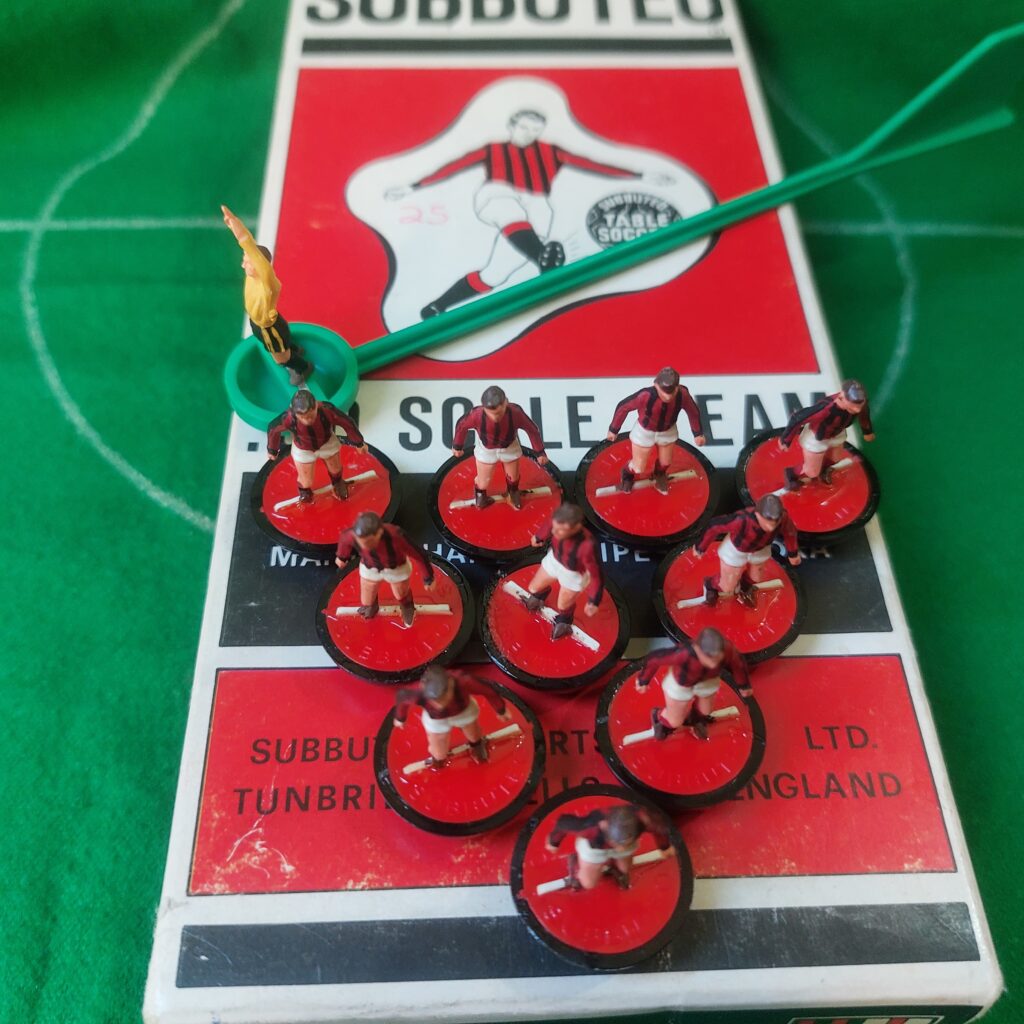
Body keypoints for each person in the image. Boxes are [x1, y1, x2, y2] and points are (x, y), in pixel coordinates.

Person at [385, 109, 671, 318]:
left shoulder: (550, 151)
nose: (529, 134)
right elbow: (455, 166)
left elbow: (591, 164)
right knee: (507, 209)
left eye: (535, 130)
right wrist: (413, 186)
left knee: (496, 275)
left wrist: (640, 175)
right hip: (499, 192)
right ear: (513, 126)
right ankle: (544, 260)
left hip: (537, 204)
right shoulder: (494, 149)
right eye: (524, 128)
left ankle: (438, 306)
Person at [221, 205, 312, 385]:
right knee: (281, 346)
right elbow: (248, 243)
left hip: (269, 328)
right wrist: (234, 225)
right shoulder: (253, 276)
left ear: (259, 265)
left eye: (247, 262)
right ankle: (294, 350)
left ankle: (303, 367)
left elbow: (249, 245)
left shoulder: (267, 283)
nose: (243, 265)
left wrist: (240, 231)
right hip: (258, 323)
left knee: (280, 359)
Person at [636, 628, 751, 741]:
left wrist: (744, 685)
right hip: (681, 684)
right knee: (675, 720)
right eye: (709, 658)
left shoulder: (727, 650)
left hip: (708, 681)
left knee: (705, 710)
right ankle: (659, 717)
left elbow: (738, 664)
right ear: (698, 649)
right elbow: (655, 658)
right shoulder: (684, 653)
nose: (713, 664)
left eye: (717, 658)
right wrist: (643, 680)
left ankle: (695, 720)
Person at [393, 665, 511, 770]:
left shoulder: (464, 681)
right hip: (436, 719)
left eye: (444, 696)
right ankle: (438, 758)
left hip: (464, 711)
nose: (440, 704)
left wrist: (501, 710)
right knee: (438, 749)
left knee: (474, 733)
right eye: (435, 700)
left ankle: (477, 745)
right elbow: (402, 699)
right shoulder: (417, 693)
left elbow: (488, 691)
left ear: (450, 682)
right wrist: (400, 718)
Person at [606, 367, 705, 493]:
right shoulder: (645, 396)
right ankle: (627, 475)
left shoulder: (683, 395)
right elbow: (623, 407)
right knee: (638, 467)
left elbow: (693, 412)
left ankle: (659, 475)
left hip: (667, 431)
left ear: (677, 387)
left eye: (672, 391)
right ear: (656, 385)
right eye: (664, 391)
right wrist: (613, 429)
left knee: (666, 462)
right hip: (644, 432)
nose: (668, 396)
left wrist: (697, 433)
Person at [694, 494, 800, 607]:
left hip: (761, 549)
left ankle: (744, 589)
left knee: (756, 577)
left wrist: (793, 553)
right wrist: (700, 547)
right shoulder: (743, 520)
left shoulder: (783, 518)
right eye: (767, 522)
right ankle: (710, 586)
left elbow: (790, 532)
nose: (771, 528)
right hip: (736, 550)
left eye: (775, 523)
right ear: (758, 514)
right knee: (727, 586)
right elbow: (714, 526)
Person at [451, 385, 548, 509]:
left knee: (513, 476)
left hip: (509, 447)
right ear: (484, 408)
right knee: (483, 480)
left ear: (505, 402)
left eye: (498, 412)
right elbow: (461, 426)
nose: (495, 417)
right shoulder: (476, 415)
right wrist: (457, 446)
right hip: (486, 450)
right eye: (491, 413)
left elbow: (532, 429)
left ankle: (512, 493)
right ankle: (481, 496)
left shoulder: (516, 413)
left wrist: (540, 452)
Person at [335, 512, 435, 627]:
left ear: (379, 532)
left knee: (401, 592)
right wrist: (342, 557)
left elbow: (418, 554)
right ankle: (371, 607)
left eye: (369, 541)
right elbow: (344, 541)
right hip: (370, 567)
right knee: (367, 592)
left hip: (396, 568)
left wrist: (428, 577)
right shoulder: (351, 535)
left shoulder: (396, 536)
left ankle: (407, 607)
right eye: (361, 541)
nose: (365, 545)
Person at [267, 390, 366, 503]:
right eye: (303, 417)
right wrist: (272, 449)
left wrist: (358, 442)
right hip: (303, 449)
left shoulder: (326, 410)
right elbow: (273, 429)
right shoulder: (288, 418)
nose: (307, 420)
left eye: (310, 415)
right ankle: (305, 492)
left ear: (316, 405)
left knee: (336, 468)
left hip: (327, 443)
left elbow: (346, 422)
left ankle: (338, 483)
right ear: (294, 412)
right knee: (306, 480)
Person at [544, 803, 671, 891]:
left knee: (625, 868)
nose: (620, 848)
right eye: (618, 843)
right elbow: (563, 823)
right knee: (588, 883)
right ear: (604, 826)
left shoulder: (645, 819)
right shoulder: (590, 828)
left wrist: (664, 847)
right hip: (595, 848)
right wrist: (553, 841)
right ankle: (575, 862)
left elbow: (660, 828)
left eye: (623, 844)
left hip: (627, 844)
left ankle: (614, 866)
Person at [779, 379, 875, 490]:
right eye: (853, 406)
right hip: (816, 438)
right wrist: (786, 439)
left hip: (837, 434)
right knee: (812, 472)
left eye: (859, 406)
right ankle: (792, 474)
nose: (857, 410)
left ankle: (823, 470)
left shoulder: (860, 405)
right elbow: (798, 418)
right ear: (842, 397)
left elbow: (864, 415)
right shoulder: (825, 408)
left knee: (835, 458)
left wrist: (867, 431)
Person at [526, 504, 603, 640]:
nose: (555, 532)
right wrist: (539, 536)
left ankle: (565, 620)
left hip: (574, 574)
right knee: (533, 587)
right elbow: (549, 524)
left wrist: (594, 600)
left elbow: (596, 575)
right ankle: (541, 594)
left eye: (561, 530)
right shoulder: (558, 520)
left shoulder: (587, 546)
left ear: (576, 528)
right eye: (555, 527)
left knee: (563, 604)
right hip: (554, 559)